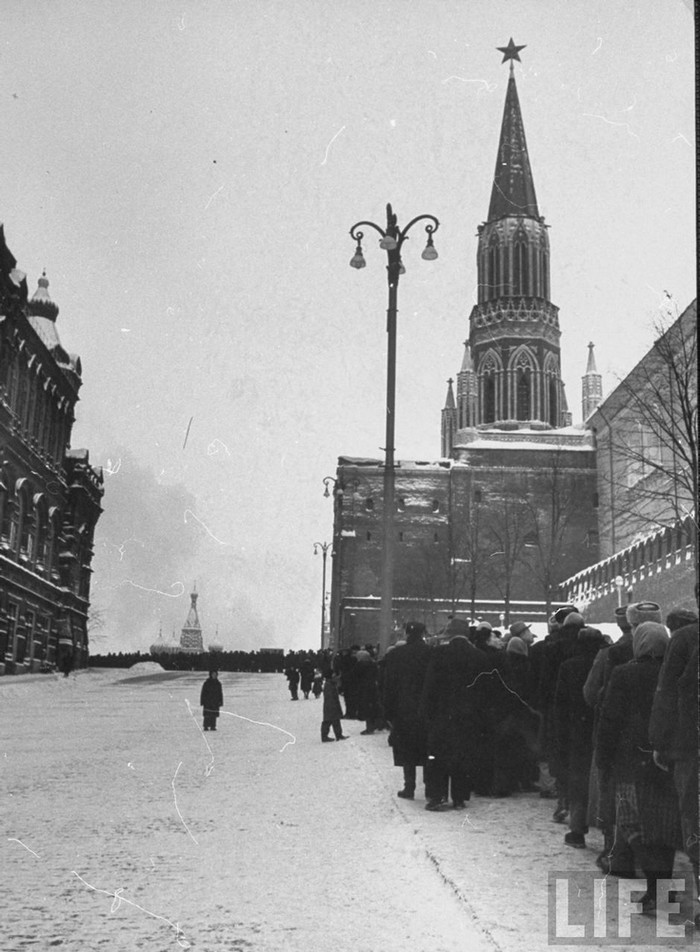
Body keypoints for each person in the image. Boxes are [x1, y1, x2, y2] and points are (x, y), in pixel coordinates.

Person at [597, 621, 681, 915]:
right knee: (665, 828)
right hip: (665, 761)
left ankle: (655, 890)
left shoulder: (624, 673)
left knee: (633, 825)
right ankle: (661, 892)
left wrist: (603, 759)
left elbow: (610, 720)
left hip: (629, 762)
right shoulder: (673, 673)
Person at [649, 609, 699, 925]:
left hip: (691, 748)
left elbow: (666, 693)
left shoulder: (685, 638)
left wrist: (659, 742)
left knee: (694, 818)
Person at [421, 621, 490, 810]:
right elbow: (484, 691)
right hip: (468, 716)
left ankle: (437, 795)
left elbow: (430, 687)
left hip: (442, 715)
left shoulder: (438, 654)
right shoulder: (479, 656)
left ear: (450, 635)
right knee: (463, 756)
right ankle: (459, 797)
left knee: (437, 757)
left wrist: (428, 712)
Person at [553, 626, 608, 848]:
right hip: (599, 728)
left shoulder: (568, 666)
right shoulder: (606, 662)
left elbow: (560, 704)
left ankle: (577, 830)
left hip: (576, 730)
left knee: (578, 780)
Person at [383, 621, 432, 800]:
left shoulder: (396, 655)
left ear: (406, 633)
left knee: (407, 750)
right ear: (423, 633)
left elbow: (389, 685)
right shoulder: (431, 653)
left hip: (403, 709)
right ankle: (429, 787)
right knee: (428, 750)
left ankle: (409, 786)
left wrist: (388, 712)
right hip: (426, 709)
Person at [321, 670, 348, 743]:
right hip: (330, 705)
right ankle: (325, 736)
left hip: (332, 705)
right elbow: (329, 697)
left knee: (335, 720)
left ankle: (338, 735)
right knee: (328, 721)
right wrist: (333, 706)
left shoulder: (331, 684)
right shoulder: (329, 685)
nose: (336, 677)